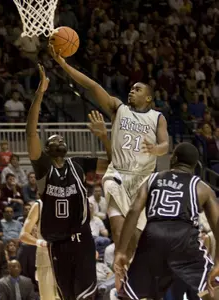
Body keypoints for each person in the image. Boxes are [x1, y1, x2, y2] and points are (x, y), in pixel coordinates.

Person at [49, 45, 169, 259]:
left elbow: (165, 145)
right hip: (118, 174)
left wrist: (156, 149)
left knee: (138, 240)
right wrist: (64, 65)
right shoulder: (118, 108)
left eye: (137, 89)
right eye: (131, 88)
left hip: (143, 180)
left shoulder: (157, 117)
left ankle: (134, 276)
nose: (132, 90)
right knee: (118, 230)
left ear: (149, 98)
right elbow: (92, 86)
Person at [25, 64, 110, 300]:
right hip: (57, 245)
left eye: (60, 137)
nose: (57, 139)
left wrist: (104, 137)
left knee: (86, 296)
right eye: (52, 138)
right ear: (47, 149)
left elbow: (114, 163)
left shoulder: (79, 164)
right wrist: (39, 94)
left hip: (82, 241)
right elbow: (30, 133)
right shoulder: (43, 168)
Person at [114, 142, 219, 300]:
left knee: (131, 294)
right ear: (195, 165)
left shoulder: (152, 179)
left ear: (174, 158)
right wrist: (218, 261)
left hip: (153, 234)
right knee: (212, 287)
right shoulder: (202, 188)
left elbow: (134, 211)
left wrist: (121, 251)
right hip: (183, 237)